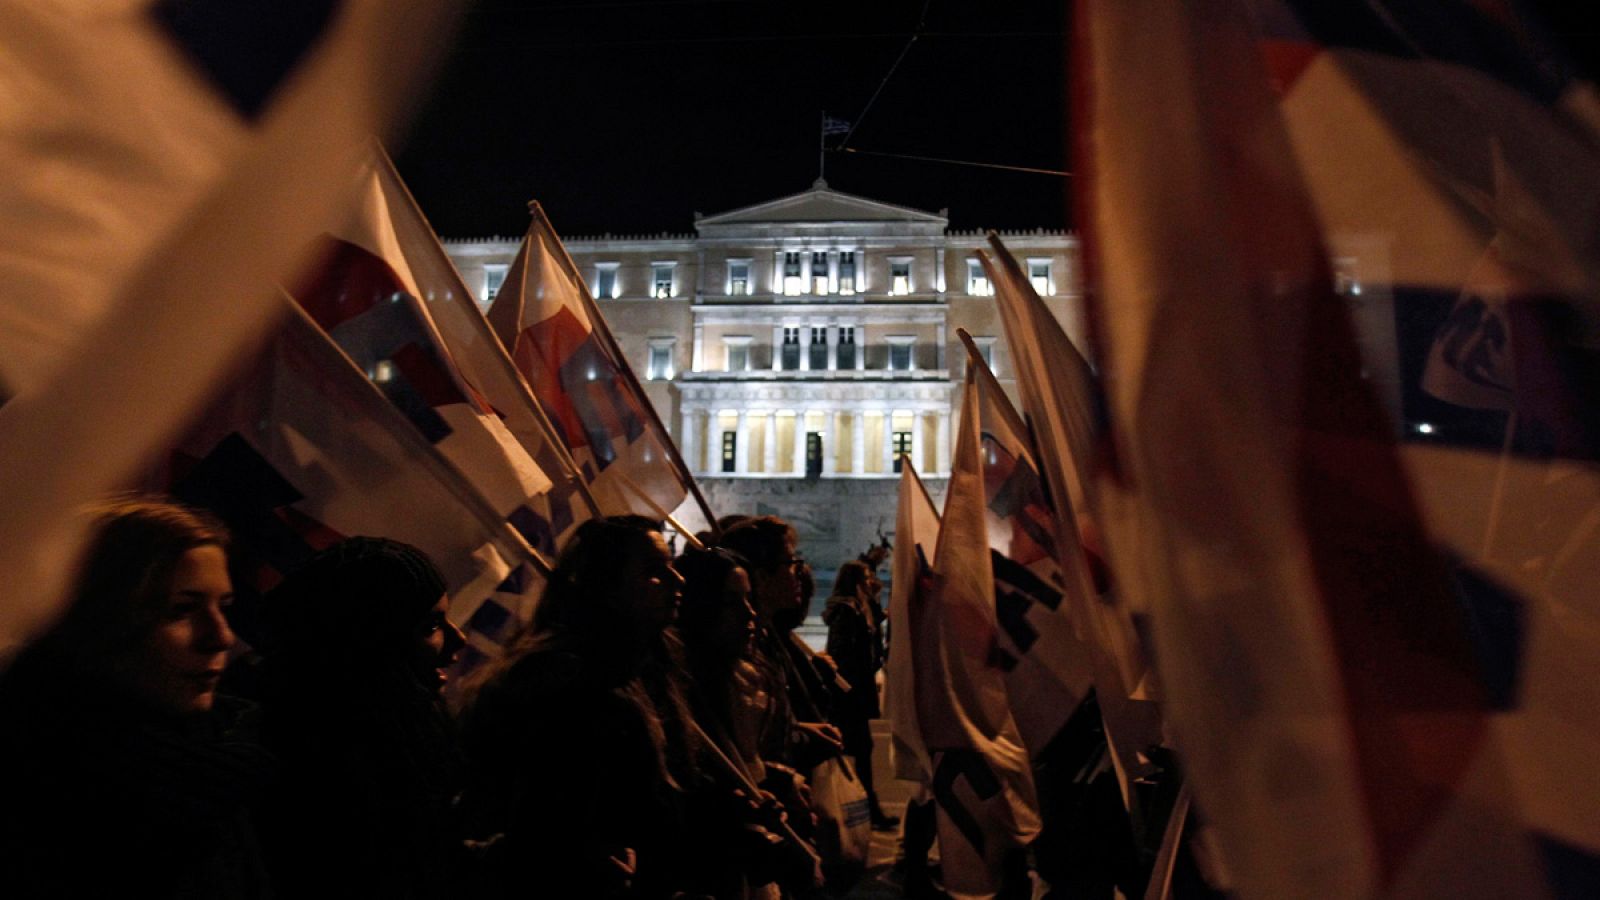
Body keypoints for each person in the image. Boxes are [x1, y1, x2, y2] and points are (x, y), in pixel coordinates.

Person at [0, 496, 272, 898]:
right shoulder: (47, 792)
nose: (221, 636)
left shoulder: (224, 756)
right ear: (101, 621)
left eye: (224, 607)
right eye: (181, 610)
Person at [458, 516, 689, 898]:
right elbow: (551, 823)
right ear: (608, 585)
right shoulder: (565, 690)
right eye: (653, 571)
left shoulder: (641, 674)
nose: (677, 582)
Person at [254, 537, 468, 899]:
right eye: (431, 626)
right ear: (374, 639)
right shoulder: (325, 767)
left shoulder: (410, 733)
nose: (459, 639)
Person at [824, 560, 896, 831]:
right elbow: (845, 651)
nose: (871, 581)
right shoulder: (848, 611)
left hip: (856, 692)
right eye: (866, 578)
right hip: (851, 694)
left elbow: (874, 624)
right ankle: (866, 809)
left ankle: (865, 808)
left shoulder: (859, 608)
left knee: (857, 752)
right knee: (858, 752)